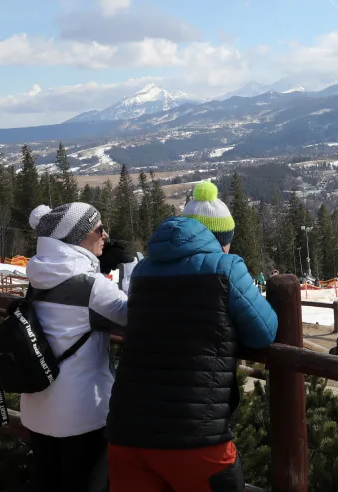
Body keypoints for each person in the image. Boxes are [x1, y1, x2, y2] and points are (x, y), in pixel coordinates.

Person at [107, 181, 278, 492]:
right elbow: (264, 333)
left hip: (126, 431)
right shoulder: (226, 268)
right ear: (221, 238)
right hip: (196, 438)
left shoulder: (143, 270)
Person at [20, 203, 129, 492]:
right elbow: (133, 315)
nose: (105, 235)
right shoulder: (92, 286)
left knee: (46, 480)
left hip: (38, 406)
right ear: (77, 237)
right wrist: (129, 267)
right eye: (99, 229)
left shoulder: (39, 275)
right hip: (83, 415)